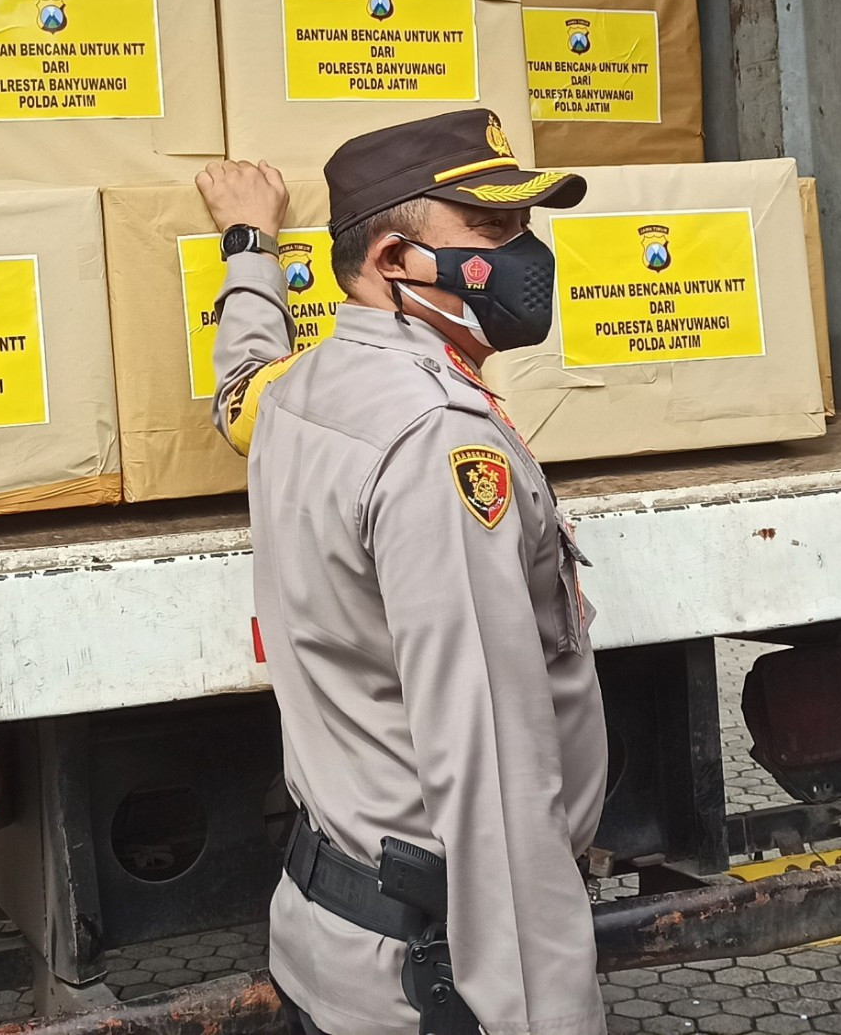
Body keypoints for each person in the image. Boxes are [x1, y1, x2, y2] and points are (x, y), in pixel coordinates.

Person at [199, 108, 609, 1035]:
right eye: (495, 231)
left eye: (525, 227)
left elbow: (240, 377)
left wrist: (248, 251)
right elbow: (494, 780)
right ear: (393, 260)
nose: (527, 254)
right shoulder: (435, 440)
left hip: (337, 938)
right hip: (436, 977)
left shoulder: (297, 394)